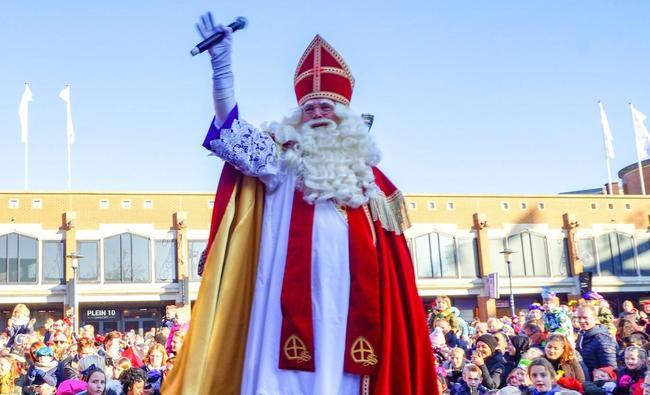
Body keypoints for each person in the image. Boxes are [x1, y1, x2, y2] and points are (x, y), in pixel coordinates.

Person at [163, 11, 438, 395]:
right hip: (282, 311)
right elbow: (229, 124)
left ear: (346, 119)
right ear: (298, 118)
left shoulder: (375, 186)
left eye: (327, 108)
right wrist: (221, 62)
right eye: (309, 109)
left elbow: (396, 276)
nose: (318, 115)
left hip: (354, 315)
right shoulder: (281, 161)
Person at [576, 303, 618, 373]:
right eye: (579, 318)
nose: (581, 321)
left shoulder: (602, 339)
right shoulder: (582, 335)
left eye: (585, 317)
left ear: (595, 318)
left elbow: (610, 368)